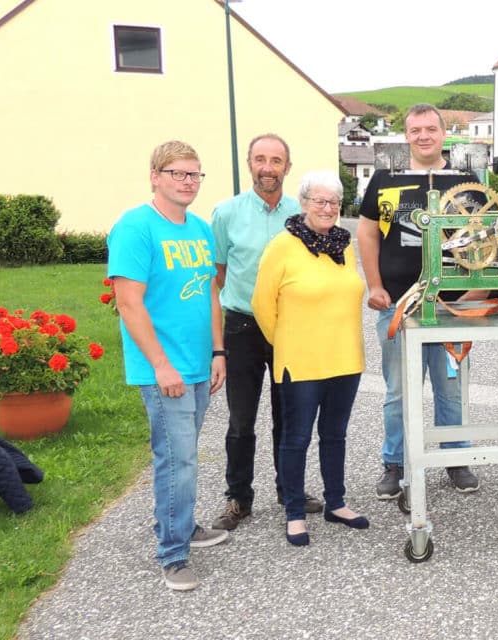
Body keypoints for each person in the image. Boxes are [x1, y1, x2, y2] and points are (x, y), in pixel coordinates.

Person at [108, 140, 229, 592]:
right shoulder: (136, 228)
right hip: (164, 369)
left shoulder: (199, 229)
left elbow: (210, 294)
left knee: (183, 456)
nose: (188, 182)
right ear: (155, 176)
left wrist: (218, 352)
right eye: (178, 173)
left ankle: (182, 526)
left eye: (195, 174)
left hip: (199, 364)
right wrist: (161, 365)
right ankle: (173, 554)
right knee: (177, 460)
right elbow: (128, 302)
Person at [357, 103, 485, 499]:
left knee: (450, 388)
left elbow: (484, 239)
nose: (424, 136)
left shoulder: (466, 180)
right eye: (416, 130)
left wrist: (473, 293)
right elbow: (367, 234)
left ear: (445, 133)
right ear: (406, 135)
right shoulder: (385, 179)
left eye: (431, 129)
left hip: (449, 308)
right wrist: (374, 286)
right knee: (398, 391)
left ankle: (455, 459)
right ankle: (393, 464)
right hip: (399, 305)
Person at [209, 134, 324, 533]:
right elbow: (218, 273)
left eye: (277, 160)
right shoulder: (226, 213)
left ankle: (288, 488)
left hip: (289, 327)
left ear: (287, 168)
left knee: (289, 416)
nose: (268, 167)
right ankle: (238, 497)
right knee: (241, 419)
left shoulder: (302, 213)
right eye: (261, 159)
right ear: (249, 164)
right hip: (242, 326)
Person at [252, 170, 370, 545]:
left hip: (345, 359)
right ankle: (294, 513)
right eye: (319, 201)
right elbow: (261, 305)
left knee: (334, 435)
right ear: (303, 203)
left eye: (334, 202)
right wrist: (286, 342)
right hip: (300, 362)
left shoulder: (344, 245)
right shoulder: (282, 246)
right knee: (296, 437)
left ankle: (336, 502)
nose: (327, 208)